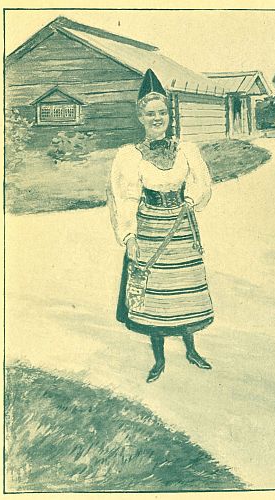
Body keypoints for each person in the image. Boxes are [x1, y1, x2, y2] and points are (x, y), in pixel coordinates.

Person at [109, 69, 214, 383]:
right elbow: (124, 196)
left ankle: (191, 350)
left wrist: (191, 199)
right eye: (150, 114)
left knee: (183, 290)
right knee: (155, 293)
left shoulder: (187, 149)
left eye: (162, 113)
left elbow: (202, 182)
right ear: (141, 117)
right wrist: (128, 235)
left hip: (181, 227)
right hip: (151, 229)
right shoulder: (130, 156)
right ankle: (158, 359)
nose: (157, 118)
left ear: (170, 115)